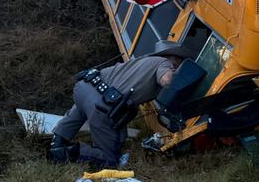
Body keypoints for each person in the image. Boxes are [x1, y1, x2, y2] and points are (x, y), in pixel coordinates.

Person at [49, 40, 199, 166]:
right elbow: (166, 80)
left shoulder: (142, 61)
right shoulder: (165, 63)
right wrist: (180, 79)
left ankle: (56, 143)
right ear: (175, 58)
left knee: (81, 111)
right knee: (110, 159)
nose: (180, 65)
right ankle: (67, 154)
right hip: (102, 106)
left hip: (84, 87)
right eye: (181, 61)